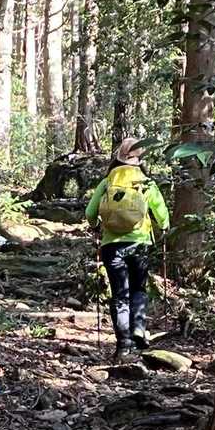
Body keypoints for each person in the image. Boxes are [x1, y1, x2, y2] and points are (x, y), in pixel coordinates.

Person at [85, 138, 169, 361]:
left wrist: (96, 226)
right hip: (140, 243)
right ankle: (138, 329)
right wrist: (164, 227)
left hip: (111, 245)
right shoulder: (146, 183)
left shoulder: (107, 182)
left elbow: (90, 212)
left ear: (118, 158)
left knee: (119, 295)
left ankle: (123, 345)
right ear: (139, 160)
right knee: (138, 289)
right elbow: (161, 214)